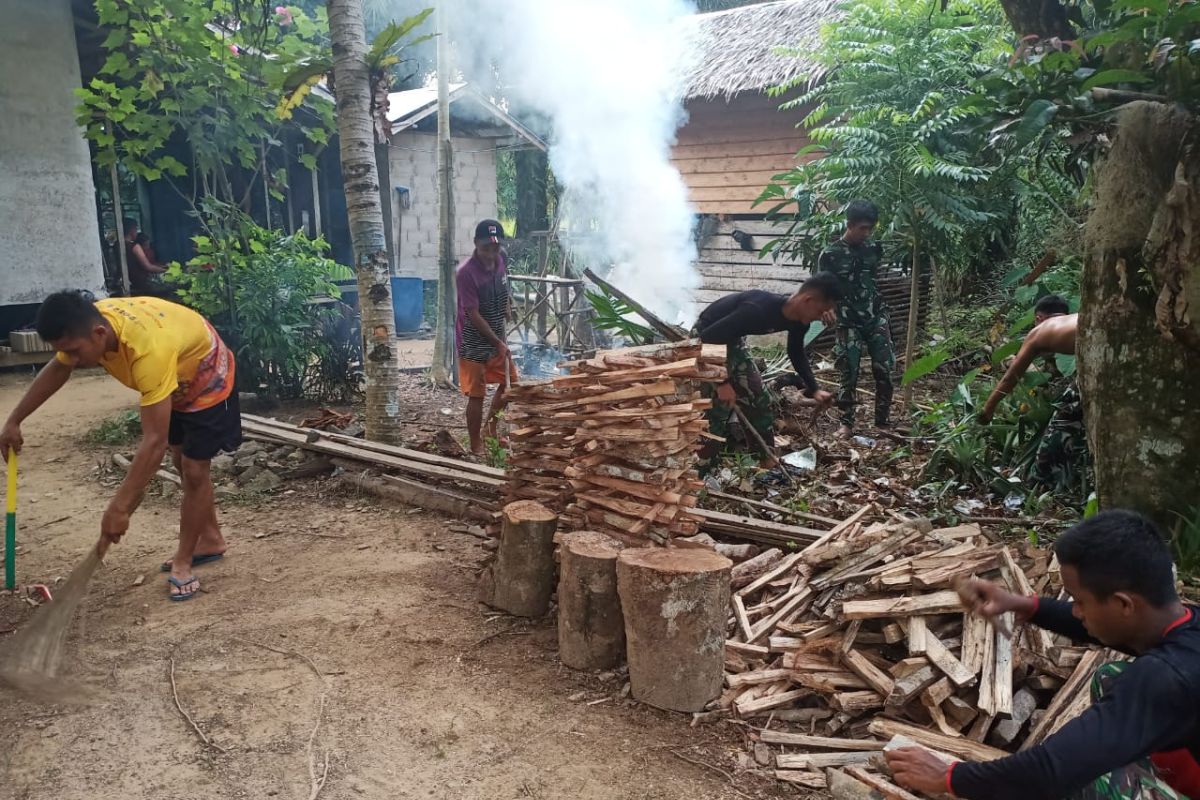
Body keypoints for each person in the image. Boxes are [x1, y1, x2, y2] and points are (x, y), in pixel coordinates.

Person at [886, 509, 1200, 800]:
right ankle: (1173, 780)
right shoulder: (1184, 626)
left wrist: (949, 776)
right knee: (1109, 679)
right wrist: (1023, 605)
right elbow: (1111, 629)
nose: (1076, 611)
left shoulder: (1166, 676)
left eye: (1079, 601)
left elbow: (1051, 770)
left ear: (1123, 604)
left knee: (1095, 776)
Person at [0, 292, 240, 601]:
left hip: (207, 376)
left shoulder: (147, 352)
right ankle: (210, 539)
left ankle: (184, 562)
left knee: (195, 470)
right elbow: (58, 368)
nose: (70, 360)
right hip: (175, 374)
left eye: (74, 352)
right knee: (182, 463)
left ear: (99, 334)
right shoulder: (89, 326)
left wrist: (119, 508)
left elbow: (154, 442)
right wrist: (14, 420)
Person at [694, 273, 841, 470]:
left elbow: (796, 352)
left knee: (759, 398)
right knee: (715, 407)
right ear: (808, 300)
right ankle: (703, 468)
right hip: (706, 340)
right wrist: (723, 383)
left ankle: (765, 459)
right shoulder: (756, 310)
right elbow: (707, 338)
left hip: (732, 342)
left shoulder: (798, 320)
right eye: (820, 311)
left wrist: (814, 389)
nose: (820, 318)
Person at [980, 294, 1083, 487]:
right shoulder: (1078, 318)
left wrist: (987, 410)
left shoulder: (1039, 331)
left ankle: (1039, 483)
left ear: (1038, 318)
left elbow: (1011, 377)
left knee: (1061, 425)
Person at [817, 199, 896, 437]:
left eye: (869, 228)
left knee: (884, 369)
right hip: (847, 321)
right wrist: (825, 307)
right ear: (849, 224)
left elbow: (872, 279)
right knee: (848, 372)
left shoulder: (873, 249)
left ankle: (882, 422)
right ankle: (846, 422)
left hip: (876, 316)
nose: (866, 233)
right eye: (862, 228)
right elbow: (819, 287)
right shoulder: (829, 255)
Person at [456, 219, 517, 454]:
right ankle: (475, 445)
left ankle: (490, 428)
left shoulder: (501, 261)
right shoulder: (465, 274)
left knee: (510, 382)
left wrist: (507, 305)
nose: (491, 254)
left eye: (495, 248)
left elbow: (504, 284)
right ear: (475, 244)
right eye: (485, 249)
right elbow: (472, 314)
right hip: (472, 339)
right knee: (477, 394)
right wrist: (498, 343)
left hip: (496, 333)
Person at [124, 220, 168, 296]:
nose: (136, 232)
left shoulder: (117, 245)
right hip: (142, 282)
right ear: (131, 230)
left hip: (130, 280)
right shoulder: (134, 246)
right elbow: (148, 267)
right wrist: (166, 270)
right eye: (135, 229)